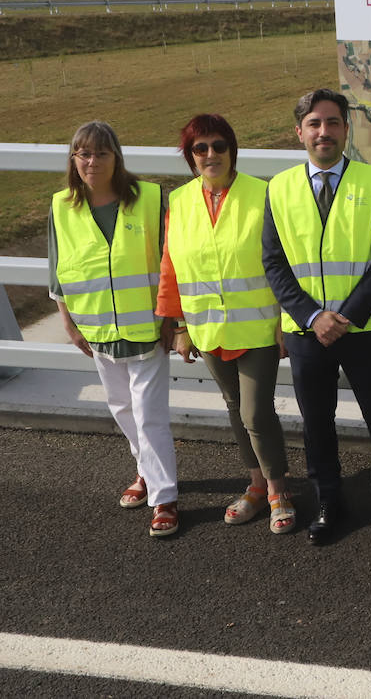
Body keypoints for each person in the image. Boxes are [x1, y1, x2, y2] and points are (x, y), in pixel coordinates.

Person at [261, 88, 371, 546]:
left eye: (332, 123)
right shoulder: (280, 187)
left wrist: (343, 316)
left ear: (346, 128)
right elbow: (274, 262)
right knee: (316, 423)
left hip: (366, 327)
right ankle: (330, 502)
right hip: (308, 333)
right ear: (299, 131)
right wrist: (312, 316)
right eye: (314, 124)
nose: (323, 132)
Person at [156, 114, 294, 535]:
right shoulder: (179, 201)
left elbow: (285, 261)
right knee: (235, 408)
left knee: (255, 410)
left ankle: (278, 492)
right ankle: (255, 486)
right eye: (201, 148)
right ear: (190, 156)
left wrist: (286, 318)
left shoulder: (263, 194)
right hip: (208, 328)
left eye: (219, 146)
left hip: (259, 327)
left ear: (233, 150)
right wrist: (178, 325)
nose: (211, 154)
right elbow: (171, 266)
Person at [49, 121, 179, 537]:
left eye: (101, 153)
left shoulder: (148, 199)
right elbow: (57, 273)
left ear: (116, 158)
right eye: (83, 154)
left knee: (149, 414)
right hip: (97, 329)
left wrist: (172, 320)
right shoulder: (61, 207)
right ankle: (145, 471)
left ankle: (164, 498)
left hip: (146, 328)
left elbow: (170, 262)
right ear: (74, 160)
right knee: (122, 408)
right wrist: (69, 324)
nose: (92, 161)